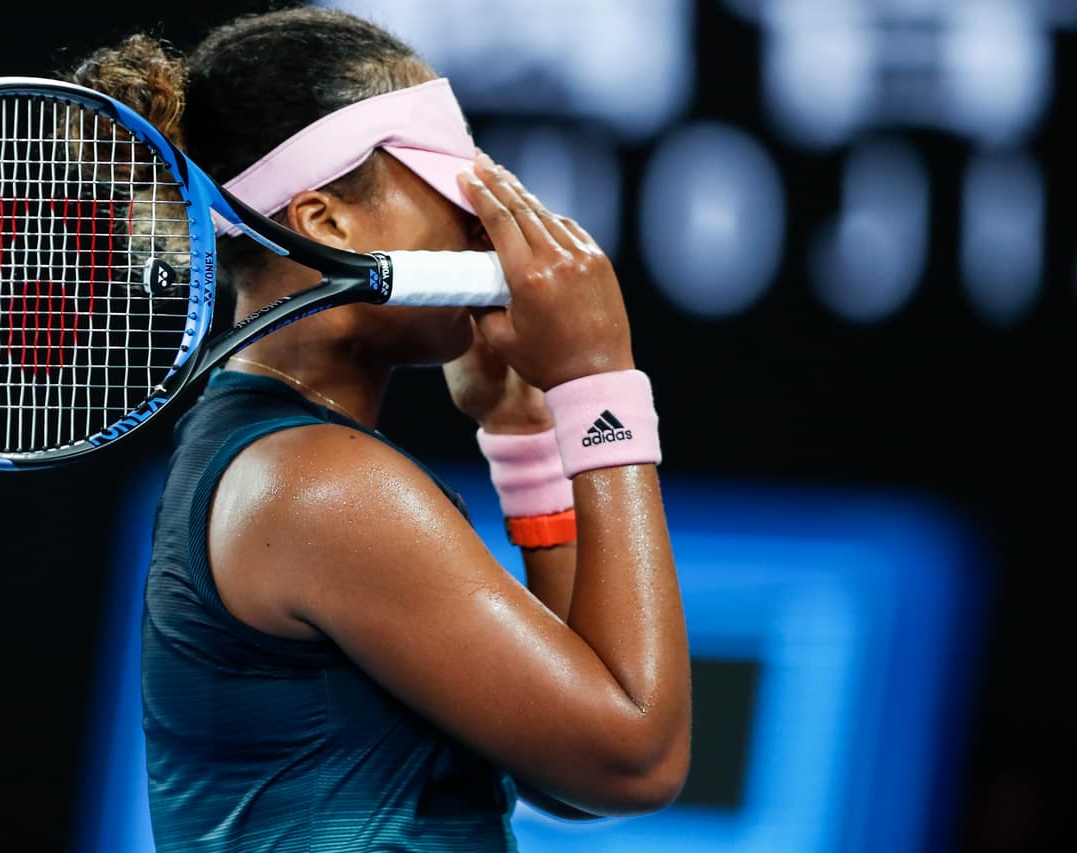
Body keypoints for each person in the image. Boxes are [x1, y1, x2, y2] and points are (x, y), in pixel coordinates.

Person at [67, 6, 691, 851]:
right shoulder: (321, 487)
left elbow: (573, 774)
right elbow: (639, 757)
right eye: (452, 182)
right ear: (325, 221)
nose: (485, 223)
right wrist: (598, 382)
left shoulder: (284, 458)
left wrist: (526, 436)